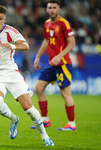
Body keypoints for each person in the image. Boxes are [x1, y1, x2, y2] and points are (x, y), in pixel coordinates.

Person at [0, 5, 54, 146]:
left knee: (28, 108)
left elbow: (26, 46)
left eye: (0, 19)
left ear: (5, 19)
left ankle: (44, 135)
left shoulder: (11, 31)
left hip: (11, 73)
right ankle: (13, 119)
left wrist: (12, 46)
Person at [31, 0, 76, 131]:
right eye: (49, 7)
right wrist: (38, 57)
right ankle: (45, 120)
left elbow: (72, 43)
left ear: (59, 9)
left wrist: (59, 56)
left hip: (63, 63)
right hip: (52, 63)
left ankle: (71, 124)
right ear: (46, 9)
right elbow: (46, 41)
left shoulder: (64, 24)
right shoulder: (46, 24)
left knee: (65, 93)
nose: (52, 10)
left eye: (54, 8)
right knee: (39, 89)